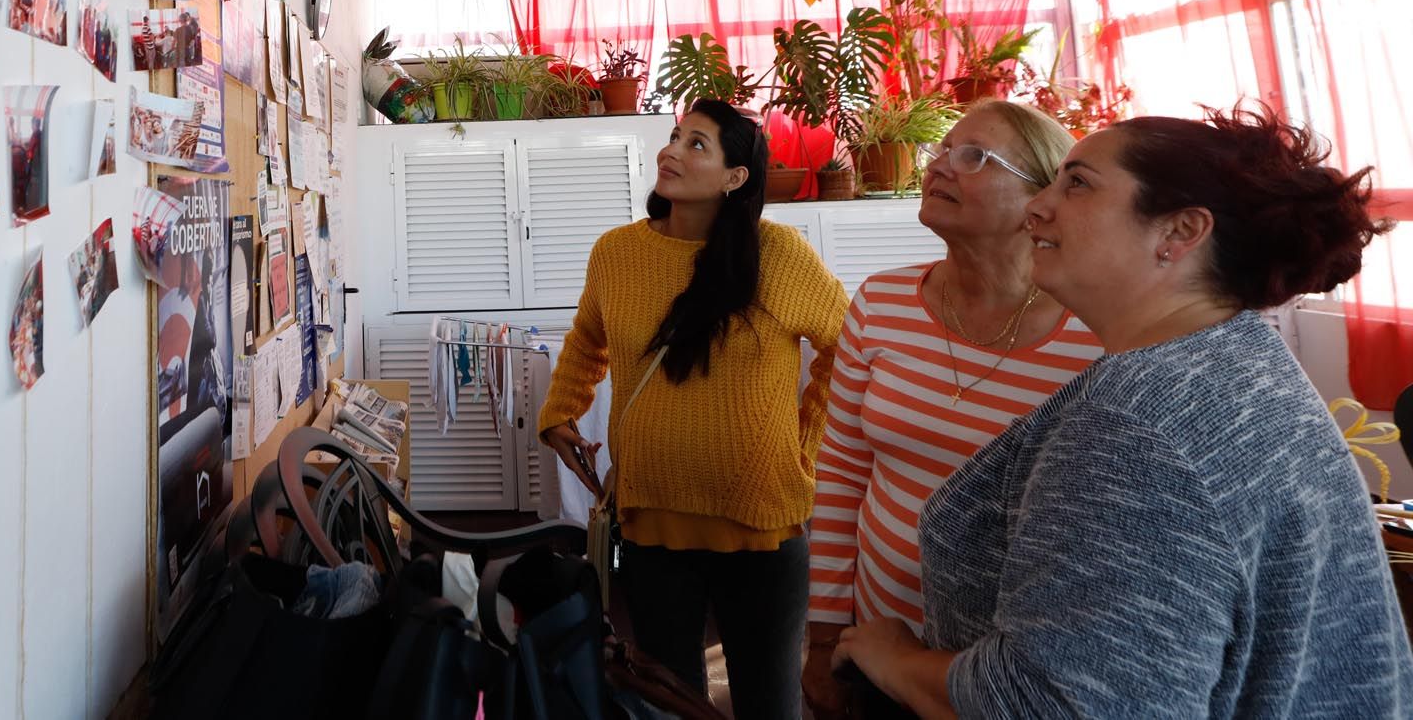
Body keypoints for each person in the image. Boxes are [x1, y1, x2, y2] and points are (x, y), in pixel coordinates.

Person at [834, 108, 1413, 718]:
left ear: (1179, 232)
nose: (1037, 207)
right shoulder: (1231, 354)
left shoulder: (1136, 431)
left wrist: (896, 657)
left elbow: (1058, 705)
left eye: (1077, 183)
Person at [539, 100, 848, 715]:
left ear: (736, 178)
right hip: (652, 525)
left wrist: (804, 445)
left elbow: (847, 347)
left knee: (770, 701)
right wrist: (559, 414)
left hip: (762, 526)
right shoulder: (618, 254)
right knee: (667, 697)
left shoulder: (778, 255)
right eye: (675, 136)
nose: (671, 151)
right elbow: (586, 340)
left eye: (697, 144)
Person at [804, 101, 1101, 719]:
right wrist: (826, 632)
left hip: (1014, 671)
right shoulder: (882, 301)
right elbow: (841, 473)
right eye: (942, 151)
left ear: (1040, 200)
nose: (939, 166)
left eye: (973, 157)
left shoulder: (1097, 336)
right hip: (876, 642)